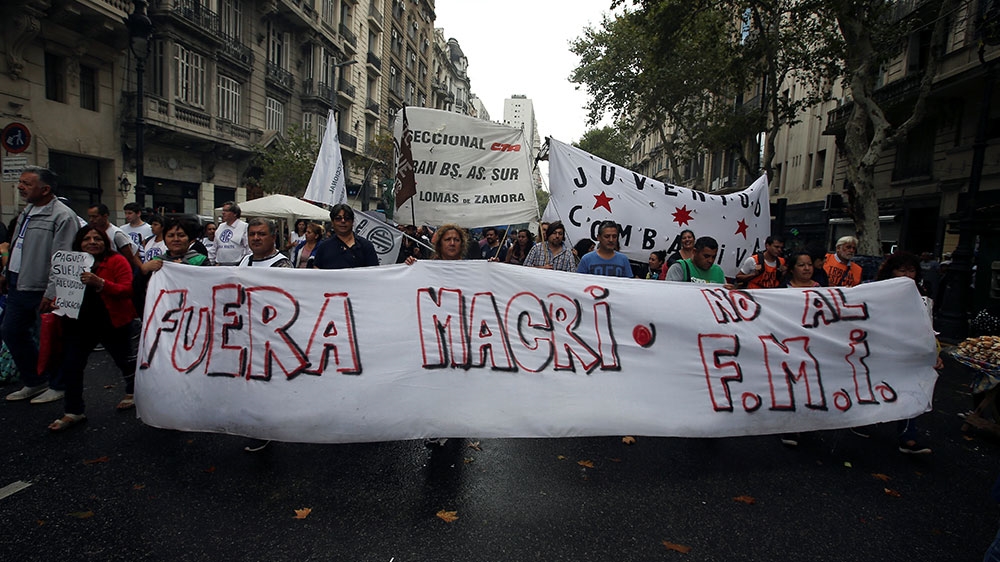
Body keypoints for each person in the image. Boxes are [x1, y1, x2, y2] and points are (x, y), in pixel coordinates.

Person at [47, 226, 138, 431]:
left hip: (111, 321)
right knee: (71, 365)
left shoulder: (116, 261)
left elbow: (127, 288)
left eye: (97, 238)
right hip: (78, 323)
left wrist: (101, 283)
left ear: (105, 242)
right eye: (87, 238)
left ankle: (134, 392)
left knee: (124, 360)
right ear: (79, 243)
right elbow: (63, 289)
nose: (92, 242)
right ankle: (73, 411)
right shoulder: (70, 263)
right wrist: (56, 302)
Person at [4, 166, 80, 403]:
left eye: (27, 183)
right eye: (21, 182)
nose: (20, 187)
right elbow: (18, 246)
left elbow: (63, 256)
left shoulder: (63, 216)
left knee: (52, 338)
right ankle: (35, 380)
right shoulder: (27, 211)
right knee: (11, 331)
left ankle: (59, 384)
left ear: (45, 189)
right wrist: (6, 273)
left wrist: (53, 292)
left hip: (42, 287)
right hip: (18, 284)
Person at [875, 251, 938, 454]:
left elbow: (928, 327)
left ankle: (908, 437)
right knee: (876, 385)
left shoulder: (921, 296)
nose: (907, 275)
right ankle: (862, 420)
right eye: (902, 270)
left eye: (911, 270)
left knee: (911, 388)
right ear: (891, 272)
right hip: (881, 350)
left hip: (910, 353)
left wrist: (935, 353)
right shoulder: (876, 292)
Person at [237, 218, 291, 452]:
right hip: (245, 333)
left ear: (272, 237)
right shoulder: (245, 261)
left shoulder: (283, 266)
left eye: (261, 234)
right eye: (252, 234)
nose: (256, 238)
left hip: (271, 337)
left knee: (267, 384)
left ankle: (267, 428)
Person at [310, 204, 379, 269]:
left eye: (347, 218)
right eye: (338, 218)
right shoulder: (324, 247)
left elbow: (374, 273)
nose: (343, 221)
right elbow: (317, 272)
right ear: (332, 222)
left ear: (352, 222)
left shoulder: (366, 246)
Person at [140, 218, 210, 272]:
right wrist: (144, 270)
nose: (176, 239)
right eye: (171, 236)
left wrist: (186, 269)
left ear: (190, 240)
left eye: (181, 235)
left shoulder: (201, 261)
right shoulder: (156, 261)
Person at [88, 203, 141, 269]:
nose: (91, 220)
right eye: (89, 217)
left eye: (95, 217)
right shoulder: (91, 231)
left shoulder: (117, 234)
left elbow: (130, 258)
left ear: (105, 216)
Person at [665, 236, 731, 286]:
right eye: (706, 256)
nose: (710, 260)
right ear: (694, 252)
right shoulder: (679, 268)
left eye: (713, 257)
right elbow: (671, 293)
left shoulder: (718, 271)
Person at [214, 201, 250, 266]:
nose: (223, 213)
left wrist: (245, 264)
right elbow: (215, 247)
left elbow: (248, 248)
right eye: (223, 210)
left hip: (237, 265)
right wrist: (212, 262)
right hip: (220, 265)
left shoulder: (244, 226)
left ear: (235, 213)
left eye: (226, 211)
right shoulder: (221, 226)